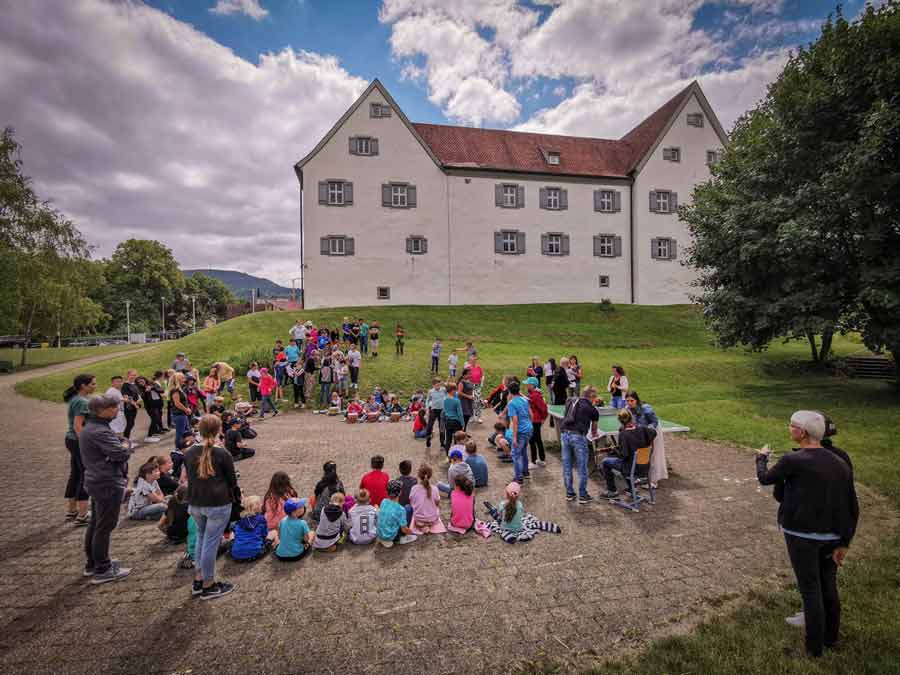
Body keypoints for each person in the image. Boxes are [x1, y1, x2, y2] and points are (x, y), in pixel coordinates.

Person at [756, 411, 859, 658]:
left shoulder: (794, 460)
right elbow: (852, 505)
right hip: (832, 536)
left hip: (801, 535)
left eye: (792, 426)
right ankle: (831, 639)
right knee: (828, 586)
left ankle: (813, 650)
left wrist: (760, 458)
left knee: (810, 590)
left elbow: (766, 479)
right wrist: (844, 541)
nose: (789, 428)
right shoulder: (840, 462)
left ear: (802, 433)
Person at [80, 394, 134, 583]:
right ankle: (102, 568)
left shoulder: (92, 427)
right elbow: (120, 453)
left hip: (97, 480)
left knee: (96, 523)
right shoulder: (100, 431)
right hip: (107, 482)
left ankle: (93, 563)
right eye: (114, 408)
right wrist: (126, 444)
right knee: (105, 525)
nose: (117, 411)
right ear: (103, 411)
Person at [183, 414, 237, 600]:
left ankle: (198, 580)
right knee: (211, 542)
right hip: (217, 502)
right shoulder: (222, 453)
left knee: (201, 537)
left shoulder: (189, 452)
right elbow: (232, 480)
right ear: (218, 429)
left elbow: (189, 477)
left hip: (196, 502)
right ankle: (209, 584)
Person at [602, 409, 657, 498]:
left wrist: (614, 450)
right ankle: (632, 489)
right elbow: (654, 433)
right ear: (631, 418)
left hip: (631, 469)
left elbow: (623, 455)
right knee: (629, 461)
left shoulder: (624, 434)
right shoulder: (642, 429)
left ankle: (612, 491)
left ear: (620, 421)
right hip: (644, 467)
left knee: (605, 462)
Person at [484, 481, 562, 543]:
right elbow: (521, 516)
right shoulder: (520, 505)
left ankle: (493, 512)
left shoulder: (502, 504)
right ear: (518, 495)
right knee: (529, 519)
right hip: (519, 528)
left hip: (504, 527)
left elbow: (500, 517)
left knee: (496, 517)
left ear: (506, 494)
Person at [64, 374, 95, 526]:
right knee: (85, 474)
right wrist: (85, 443)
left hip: (71, 440)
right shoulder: (82, 402)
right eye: (92, 384)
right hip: (77, 441)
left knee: (76, 473)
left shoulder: (75, 399)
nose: (94, 386)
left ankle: (72, 510)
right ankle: (83, 514)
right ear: (83, 385)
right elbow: (78, 425)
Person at [559, 385, 599, 504]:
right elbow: (594, 430)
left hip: (564, 434)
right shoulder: (592, 409)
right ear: (591, 397)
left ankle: (570, 493)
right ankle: (583, 494)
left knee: (567, 465)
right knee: (582, 467)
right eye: (595, 397)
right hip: (578, 436)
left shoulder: (572, 401)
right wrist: (594, 434)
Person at [504, 381, 533, 485]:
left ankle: (518, 477)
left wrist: (514, 437)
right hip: (529, 429)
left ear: (509, 391)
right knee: (524, 451)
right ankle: (526, 472)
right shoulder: (524, 400)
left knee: (515, 454)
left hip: (520, 432)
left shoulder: (511, 403)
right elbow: (531, 414)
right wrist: (530, 425)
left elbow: (515, 421)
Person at [230, 495, 274, 562]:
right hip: (255, 554)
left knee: (232, 533)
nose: (261, 504)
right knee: (273, 533)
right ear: (257, 507)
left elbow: (235, 533)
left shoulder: (239, 521)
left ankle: (236, 547)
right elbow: (265, 535)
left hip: (236, 555)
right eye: (260, 503)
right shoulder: (261, 519)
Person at [377, 480, 418, 547]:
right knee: (408, 508)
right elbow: (404, 529)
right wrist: (411, 532)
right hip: (391, 536)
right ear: (400, 493)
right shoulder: (401, 509)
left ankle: (385, 538)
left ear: (387, 492)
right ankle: (399, 538)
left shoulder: (383, 501)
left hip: (380, 534)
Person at [409, 464, 445, 534]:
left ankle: (423, 526)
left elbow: (411, 502)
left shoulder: (414, 488)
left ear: (419, 476)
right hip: (432, 519)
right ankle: (428, 525)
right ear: (430, 475)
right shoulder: (435, 489)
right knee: (437, 509)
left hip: (419, 520)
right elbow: (437, 503)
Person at [168, 372, 192, 466]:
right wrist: (186, 409)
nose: (184, 379)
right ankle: (178, 449)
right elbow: (177, 403)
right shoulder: (175, 390)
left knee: (186, 431)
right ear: (178, 379)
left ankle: (184, 447)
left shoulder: (180, 389)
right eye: (182, 378)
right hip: (179, 415)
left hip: (182, 414)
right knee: (180, 433)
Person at [525, 377, 548, 467]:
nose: (527, 385)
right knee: (537, 440)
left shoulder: (535, 395)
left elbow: (543, 408)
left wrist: (543, 419)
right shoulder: (532, 394)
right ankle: (541, 460)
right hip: (534, 420)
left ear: (532, 385)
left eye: (528, 384)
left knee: (533, 441)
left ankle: (534, 461)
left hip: (535, 421)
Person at [441, 382, 465, 454]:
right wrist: (463, 424)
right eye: (455, 390)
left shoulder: (444, 399)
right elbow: (460, 414)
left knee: (448, 439)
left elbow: (444, 411)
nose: (456, 391)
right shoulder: (457, 401)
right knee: (457, 440)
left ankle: (447, 456)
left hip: (448, 421)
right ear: (452, 391)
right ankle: (457, 455)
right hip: (456, 422)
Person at [121, 370, 143, 443]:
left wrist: (139, 399)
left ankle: (126, 439)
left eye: (135, 375)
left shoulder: (134, 384)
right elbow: (127, 397)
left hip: (135, 406)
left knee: (132, 423)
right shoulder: (125, 385)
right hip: (129, 407)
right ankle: (125, 441)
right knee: (130, 423)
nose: (133, 376)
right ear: (128, 375)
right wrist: (135, 404)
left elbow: (138, 394)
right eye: (132, 375)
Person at [424, 378, 446, 449]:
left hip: (442, 410)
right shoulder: (431, 391)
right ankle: (428, 439)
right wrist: (427, 408)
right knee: (430, 425)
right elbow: (427, 400)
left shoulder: (443, 389)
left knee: (441, 426)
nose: (438, 386)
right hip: (434, 410)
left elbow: (450, 389)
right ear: (433, 385)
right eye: (436, 385)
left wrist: (445, 384)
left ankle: (442, 443)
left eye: (439, 385)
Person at [104, 375, 126, 440]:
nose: (120, 383)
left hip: (119, 413)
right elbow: (111, 402)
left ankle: (121, 444)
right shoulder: (111, 391)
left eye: (121, 382)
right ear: (112, 383)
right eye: (117, 382)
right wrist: (125, 399)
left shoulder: (117, 390)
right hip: (114, 414)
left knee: (120, 429)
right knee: (116, 431)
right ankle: (119, 445)